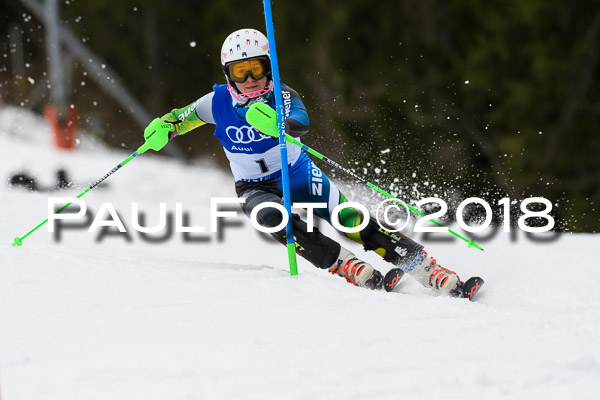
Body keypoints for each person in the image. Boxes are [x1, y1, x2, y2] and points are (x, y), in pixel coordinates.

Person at [143, 28, 465, 295]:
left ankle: (426, 269)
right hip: (253, 186)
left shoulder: (281, 94)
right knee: (271, 217)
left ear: (268, 66)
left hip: (296, 171)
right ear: (228, 74)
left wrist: (278, 125)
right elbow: (179, 119)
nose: (251, 78)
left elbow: (301, 121)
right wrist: (164, 128)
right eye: (241, 71)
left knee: (350, 220)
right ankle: (344, 264)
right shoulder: (216, 103)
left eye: (257, 67)